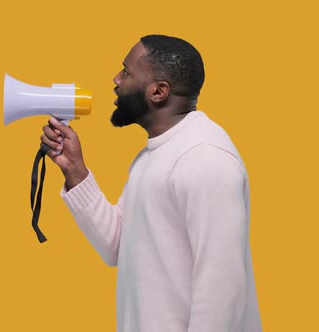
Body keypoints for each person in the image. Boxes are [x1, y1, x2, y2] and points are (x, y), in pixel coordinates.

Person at [41, 35, 262, 332]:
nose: (116, 79)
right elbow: (118, 246)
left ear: (158, 91)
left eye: (127, 72)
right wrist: (75, 170)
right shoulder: (153, 155)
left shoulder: (204, 158)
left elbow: (223, 288)